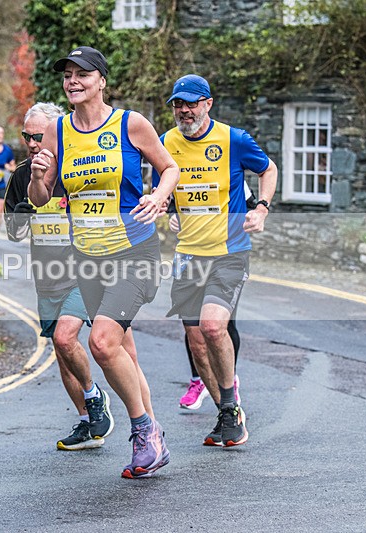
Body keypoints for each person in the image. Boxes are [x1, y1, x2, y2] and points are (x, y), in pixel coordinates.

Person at [29, 46, 180, 478]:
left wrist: (158, 195)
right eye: (67, 75)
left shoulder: (129, 123)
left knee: (102, 344)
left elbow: (169, 168)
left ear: (101, 81)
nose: (73, 81)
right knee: (123, 350)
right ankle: (153, 433)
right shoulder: (58, 131)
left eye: (82, 74)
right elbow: (42, 200)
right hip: (88, 258)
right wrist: (40, 177)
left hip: (134, 252)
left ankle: (144, 431)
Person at [156, 74, 277, 447]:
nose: (184, 110)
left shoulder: (233, 139)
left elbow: (268, 169)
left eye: (191, 103)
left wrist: (261, 208)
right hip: (187, 253)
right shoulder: (165, 142)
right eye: (178, 103)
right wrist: (168, 207)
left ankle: (229, 406)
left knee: (211, 327)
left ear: (208, 103)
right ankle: (228, 411)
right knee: (194, 339)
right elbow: (166, 183)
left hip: (229, 251)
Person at [4, 102, 112, 451]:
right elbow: (12, 233)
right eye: (27, 137)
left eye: (39, 136)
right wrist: (20, 218)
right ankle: (88, 422)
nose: (33, 143)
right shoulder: (22, 175)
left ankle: (96, 397)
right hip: (47, 276)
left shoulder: (76, 166)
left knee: (67, 338)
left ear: (54, 133)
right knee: (61, 351)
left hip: (84, 270)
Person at [173, 181, 258, 409]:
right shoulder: (175, 163)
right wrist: (173, 215)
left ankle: (230, 380)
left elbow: (251, 204)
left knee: (220, 324)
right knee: (192, 328)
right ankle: (197, 381)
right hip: (189, 254)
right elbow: (169, 201)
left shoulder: (227, 167)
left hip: (227, 255)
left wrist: (248, 218)